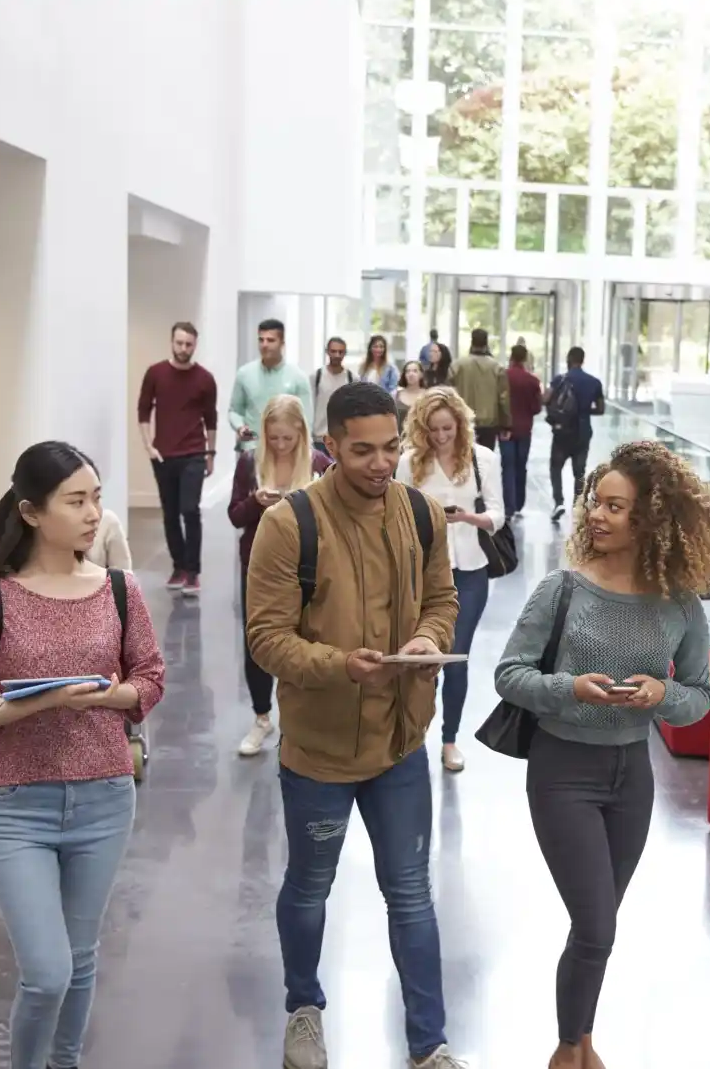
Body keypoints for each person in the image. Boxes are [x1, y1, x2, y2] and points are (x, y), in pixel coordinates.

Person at [245, 382, 465, 1069]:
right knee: (310, 888)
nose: (380, 462)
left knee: (410, 893)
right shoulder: (290, 525)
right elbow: (266, 639)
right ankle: (303, 1010)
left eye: (390, 447)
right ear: (330, 446)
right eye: (362, 450)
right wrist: (343, 665)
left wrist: (429, 638)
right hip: (319, 751)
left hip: (401, 742)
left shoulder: (422, 515)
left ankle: (430, 1045)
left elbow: (442, 599)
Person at [494, 440, 710, 1069]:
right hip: (562, 771)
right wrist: (568, 687)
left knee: (597, 928)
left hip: (632, 777)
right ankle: (568, 1051)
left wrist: (663, 695)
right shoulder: (562, 589)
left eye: (615, 507)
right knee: (598, 925)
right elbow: (509, 674)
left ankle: (582, 1040)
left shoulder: (681, 604)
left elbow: (701, 697)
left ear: (650, 519)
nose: (596, 515)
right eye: (595, 502)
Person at [0, 441, 166, 1069]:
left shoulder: (120, 589)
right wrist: (47, 703)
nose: (94, 513)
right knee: (46, 972)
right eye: (77, 501)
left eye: (96, 497)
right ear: (31, 512)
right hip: (15, 801)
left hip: (104, 795)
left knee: (80, 957)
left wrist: (104, 697)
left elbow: (150, 680)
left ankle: (64, 1063)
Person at [396, 387, 504, 774]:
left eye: (448, 428)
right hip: (421, 570)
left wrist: (467, 518)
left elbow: (498, 515)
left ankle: (449, 739)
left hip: (471, 570)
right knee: (421, 657)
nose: (442, 436)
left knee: (455, 659)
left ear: (460, 424)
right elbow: (397, 513)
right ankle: (413, 737)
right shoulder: (408, 462)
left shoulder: (483, 459)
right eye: (434, 430)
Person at [231, 395, 333, 757]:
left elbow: (337, 515)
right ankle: (262, 717)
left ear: (301, 434)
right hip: (259, 567)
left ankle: (302, 720)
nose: (280, 445)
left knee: (307, 640)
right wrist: (255, 501)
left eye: (287, 439)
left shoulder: (320, 464)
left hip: (309, 566)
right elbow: (235, 516)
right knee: (257, 643)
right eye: (273, 438)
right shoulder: (249, 463)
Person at [137, 320, 217, 594]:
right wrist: (149, 446)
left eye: (189, 344)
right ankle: (178, 566)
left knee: (190, 510)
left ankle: (193, 571)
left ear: (195, 345)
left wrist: (211, 453)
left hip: (194, 452)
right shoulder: (156, 373)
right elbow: (143, 410)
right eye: (179, 343)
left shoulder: (205, 379)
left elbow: (211, 419)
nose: (184, 348)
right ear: (172, 342)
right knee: (170, 513)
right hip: (163, 455)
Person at [230, 318, 313, 455]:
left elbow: (306, 420)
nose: (265, 345)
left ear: (282, 343)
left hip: (285, 452)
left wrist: (307, 452)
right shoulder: (244, 374)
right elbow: (234, 411)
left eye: (270, 340)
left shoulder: (298, 377)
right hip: (252, 449)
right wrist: (240, 427)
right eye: (261, 340)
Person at [546, 346, 606, 523]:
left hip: (562, 431)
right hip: (583, 431)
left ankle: (559, 502)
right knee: (579, 471)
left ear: (568, 359)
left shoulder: (559, 380)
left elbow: (545, 399)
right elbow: (601, 409)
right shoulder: (594, 382)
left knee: (556, 467)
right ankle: (577, 506)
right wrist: (584, 411)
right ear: (582, 360)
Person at [500, 342, 543, 520]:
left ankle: (508, 506)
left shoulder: (503, 377)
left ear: (511, 357)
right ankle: (519, 503)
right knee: (521, 466)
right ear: (525, 359)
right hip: (525, 429)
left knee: (507, 467)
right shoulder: (532, 381)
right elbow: (537, 408)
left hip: (505, 429)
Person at [447, 328, 510, 449]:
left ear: (472, 342)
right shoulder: (497, 368)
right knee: (485, 462)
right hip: (489, 422)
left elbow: (448, 393)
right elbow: (504, 398)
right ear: (486, 344)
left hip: (463, 419)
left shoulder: (457, 366)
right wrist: (506, 424)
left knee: (463, 459)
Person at [309, 336, 354, 455]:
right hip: (319, 438)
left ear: (345, 353)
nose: (337, 355)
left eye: (341, 352)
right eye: (333, 351)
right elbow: (309, 405)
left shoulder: (351, 378)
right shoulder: (316, 376)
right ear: (327, 352)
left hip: (342, 437)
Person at [396, 360, 429, 430]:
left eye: (415, 371)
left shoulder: (428, 396)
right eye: (408, 371)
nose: (411, 374)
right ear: (404, 375)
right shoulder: (396, 395)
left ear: (421, 374)